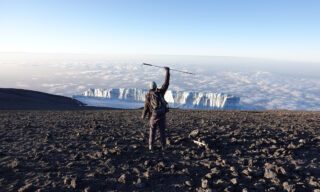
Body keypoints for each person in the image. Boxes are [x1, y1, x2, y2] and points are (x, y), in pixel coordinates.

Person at [141, 67, 170, 151]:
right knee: (162, 132)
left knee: (152, 130)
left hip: (153, 116)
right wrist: (167, 71)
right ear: (156, 87)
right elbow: (166, 83)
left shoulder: (148, 95)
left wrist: (143, 115)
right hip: (162, 114)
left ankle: (151, 146)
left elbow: (146, 107)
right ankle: (163, 147)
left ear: (150, 87)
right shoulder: (160, 92)